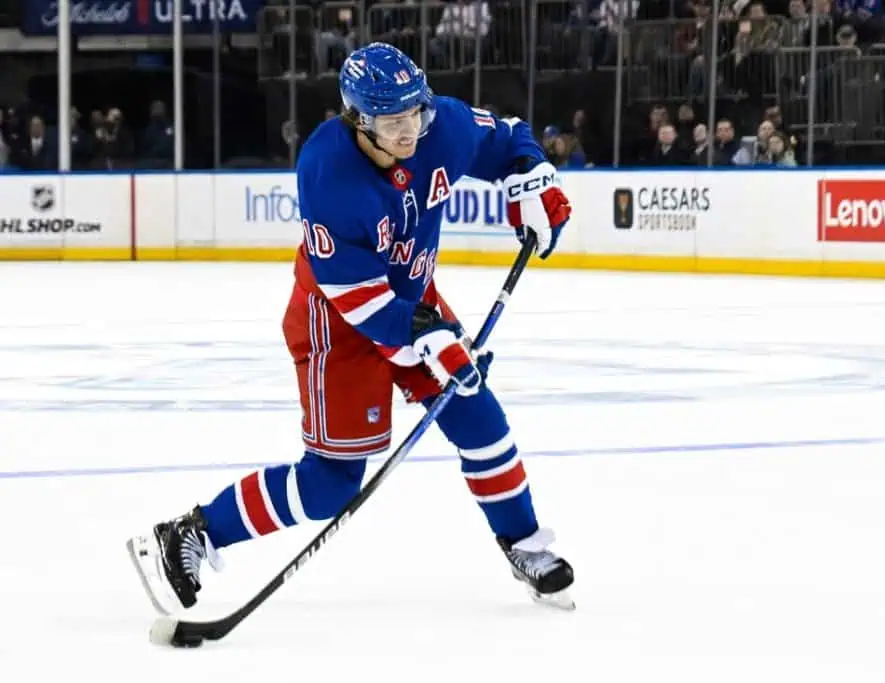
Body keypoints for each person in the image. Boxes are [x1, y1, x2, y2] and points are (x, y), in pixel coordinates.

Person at [127, 42, 575, 613]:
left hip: (413, 301)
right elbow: (361, 302)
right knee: (331, 485)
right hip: (337, 321)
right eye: (392, 122)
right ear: (359, 120)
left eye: (415, 113)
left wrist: (533, 178)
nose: (410, 131)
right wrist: (432, 342)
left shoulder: (443, 127)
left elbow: (509, 136)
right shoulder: (328, 170)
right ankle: (192, 532)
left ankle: (525, 544)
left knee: (480, 418)